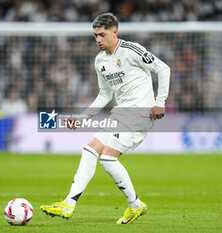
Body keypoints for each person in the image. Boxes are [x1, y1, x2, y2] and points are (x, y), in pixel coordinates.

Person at [40, 13, 170, 224]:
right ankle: (69, 204)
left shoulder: (131, 50)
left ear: (114, 32)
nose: (98, 39)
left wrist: (160, 101)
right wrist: (83, 118)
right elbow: (104, 94)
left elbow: (163, 68)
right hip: (121, 113)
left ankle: (135, 205)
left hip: (139, 112)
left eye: (102, 34)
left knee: (108, 158)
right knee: (90, 149)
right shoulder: (100, 61)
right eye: (95, 36)